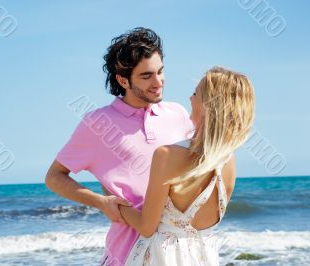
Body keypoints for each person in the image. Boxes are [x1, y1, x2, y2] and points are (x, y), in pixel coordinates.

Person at [45, 27, 193, 265]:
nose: (158, 82)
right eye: (146, 76)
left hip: (179, 253)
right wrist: (101, 202)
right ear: (123, 79)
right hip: (126, 254)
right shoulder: (97, 124)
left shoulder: (178, 113)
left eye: (161, 71)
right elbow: (54, 177)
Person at [119, 67, 255, 265]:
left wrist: (115, 204)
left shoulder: (167, 155)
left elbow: (146, 227)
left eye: (195, 93)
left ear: (208, 105)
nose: (190, 98)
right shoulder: (228, 161)